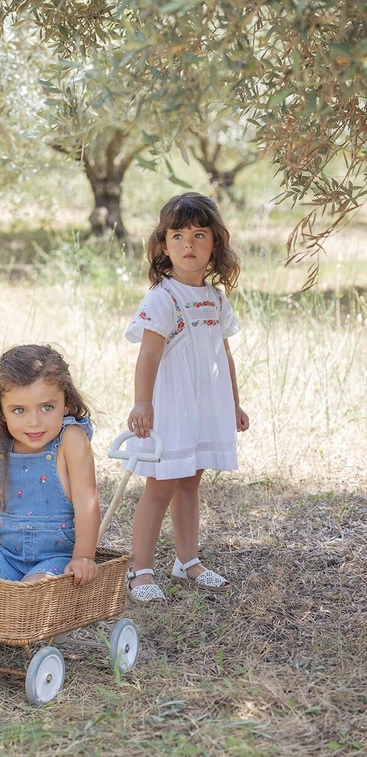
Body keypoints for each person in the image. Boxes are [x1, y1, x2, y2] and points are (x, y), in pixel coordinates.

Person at [125, 192, 249, 603]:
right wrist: (143, 403)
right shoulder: (164, 298)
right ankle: (141, 571)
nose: (189, 245)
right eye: (178, 236)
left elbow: (222, 354)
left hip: (204, 407)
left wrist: (232, 402)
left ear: (216, 244)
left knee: (190, 483)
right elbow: (149, 354)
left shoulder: (215, 298)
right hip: (171, 409)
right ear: (163, 245)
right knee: (160, 485)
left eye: (199, 235)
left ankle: (187, 561)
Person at [0, 344, 100, 587]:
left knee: (31, 594)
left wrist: (83, 557)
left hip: (59, 557)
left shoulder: (70, 440)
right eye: (19, 410)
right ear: (1, 411)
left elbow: (87, 500)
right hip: (9, 556)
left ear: (65, 403)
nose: (34, 422)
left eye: (47, 407)